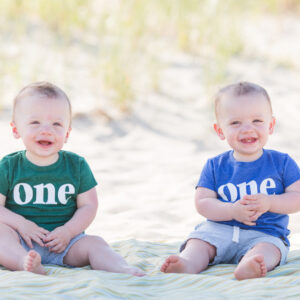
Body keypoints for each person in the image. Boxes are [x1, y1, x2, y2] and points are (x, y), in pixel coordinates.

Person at [0, 82, 145, 276]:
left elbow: (89, 206)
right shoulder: (9, 166)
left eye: (57, 124)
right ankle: (24, 263)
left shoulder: (76, 166)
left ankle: (122, 268)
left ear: (67, 133)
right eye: (35, 122)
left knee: (96, 243)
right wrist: (21, 224)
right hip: (21, 241)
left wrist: (68, 231)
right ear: (16, 129)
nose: (46, 130)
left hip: (67, 245)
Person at [160, 81, 300, 280]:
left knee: (270, 250)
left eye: (257, 121)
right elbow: (202, 202)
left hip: (265, 233)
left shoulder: (282, 162)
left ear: (270, 125)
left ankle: (251, 264)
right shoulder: (215, 166)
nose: (247, 129)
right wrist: (231, 210)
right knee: (199, 242)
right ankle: (187, 263)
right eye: (235, 123)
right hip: (219, 230)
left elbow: (297, 197)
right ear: (220, 131)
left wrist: (270, 202)